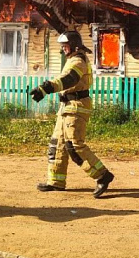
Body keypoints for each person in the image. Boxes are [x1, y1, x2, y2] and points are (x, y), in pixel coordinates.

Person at [30, 30, 114, 198]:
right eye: (62, 46)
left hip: (76, 107)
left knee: (74, 145)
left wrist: (45, 88)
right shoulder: (72, 59)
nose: (63, 50)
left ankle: (102, 176)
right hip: (66, 107)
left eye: (65, 46)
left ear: (75, 45)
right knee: (57, 144)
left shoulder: (78, 61)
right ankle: (56, 181)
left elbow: (68, 79)